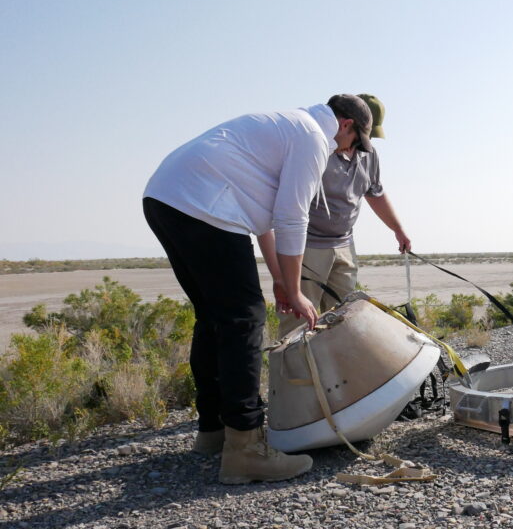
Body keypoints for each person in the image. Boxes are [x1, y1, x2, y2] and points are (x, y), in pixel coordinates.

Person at [142, 94, 372, 484]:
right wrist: (299, 292)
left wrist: (283, 282)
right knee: (244, 323)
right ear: (346, 124)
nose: (347, 150)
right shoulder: (314, 137)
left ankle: (213, 431)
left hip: (166, 198)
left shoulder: (286, 127)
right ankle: (245, 450)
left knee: (215, 319)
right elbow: (292, 216)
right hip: (204, 207)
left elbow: (265, 220)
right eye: (355, 142)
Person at [276, 94, 411, 337]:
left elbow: (376, 193)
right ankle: (291, 375)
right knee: (297, 325)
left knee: (344, 318)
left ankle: (334, 375)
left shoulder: (369, 154)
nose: (363, 143)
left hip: (344, 245)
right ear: (347, 124)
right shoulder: (315, 147)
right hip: (307, 247)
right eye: (362, 136)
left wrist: (398, 229)